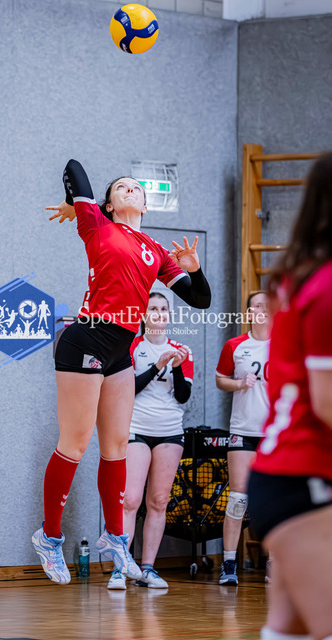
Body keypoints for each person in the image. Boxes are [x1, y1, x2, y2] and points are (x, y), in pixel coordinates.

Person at [32, 159, 211, 585]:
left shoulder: (156, 251)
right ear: (109, 204)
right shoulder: (97, 224)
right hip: (87, 339)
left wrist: (193, 267)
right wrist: (81, 205)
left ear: (145, 206)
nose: (131, 189)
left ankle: (115, 538)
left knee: (115, 448)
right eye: (122, 187)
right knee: (75, 444)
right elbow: (74, 168)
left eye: (136, 188)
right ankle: (49, 537)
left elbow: (200, 300)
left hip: (120, 349)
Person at [247, 152, 332, 640]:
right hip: (303, 479)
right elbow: (327, 402)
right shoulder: (324, 286)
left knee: (289, 632)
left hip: (289, 476)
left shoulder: (303, 278)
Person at [107, 291, 193, 590]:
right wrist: (157, 366)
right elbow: (128, 388)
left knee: (158, 501)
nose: (159, 313)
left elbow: (183, 396)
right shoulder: (132, 346)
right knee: (130, 499)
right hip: (136, 428)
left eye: (164, 309)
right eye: (153, 308)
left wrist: (177, 365)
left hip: (170, 430)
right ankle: (120, 569)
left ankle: (148, 569)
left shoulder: (181, 350)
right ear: (144, 315)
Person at [216, 290, 270, 585]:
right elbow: (220, 379)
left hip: (275, 433)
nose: (262, 309)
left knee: (274, 499)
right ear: (249, 313)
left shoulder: (286, 345)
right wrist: (239, 384)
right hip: (243, 430)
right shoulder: (235, 345)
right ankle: (228, 564)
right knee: (238, 498)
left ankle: (274, 564)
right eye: (256, 306)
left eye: (267, 305)